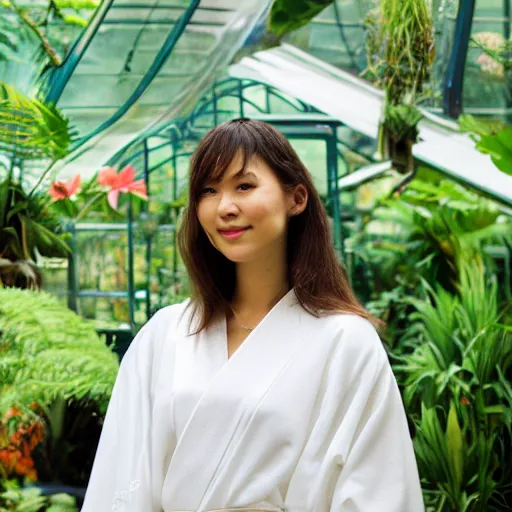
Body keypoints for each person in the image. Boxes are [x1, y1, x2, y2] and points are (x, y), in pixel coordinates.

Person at [81, 119, 424, 512]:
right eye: (208, 191)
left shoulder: (346, 341)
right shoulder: (164, 335)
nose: (225, 207)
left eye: (244, 186)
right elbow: (119, 479)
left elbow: (377, 489)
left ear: (296, 199)